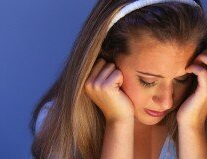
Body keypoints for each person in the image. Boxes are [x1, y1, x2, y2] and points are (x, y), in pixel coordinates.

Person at [30, 0, 207, 158]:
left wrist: (192, 126)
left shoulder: (196, 113)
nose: (166, 102)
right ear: (106, 60)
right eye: (148, 81)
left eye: (182, 79)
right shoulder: (59, 123)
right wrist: (118, 121)